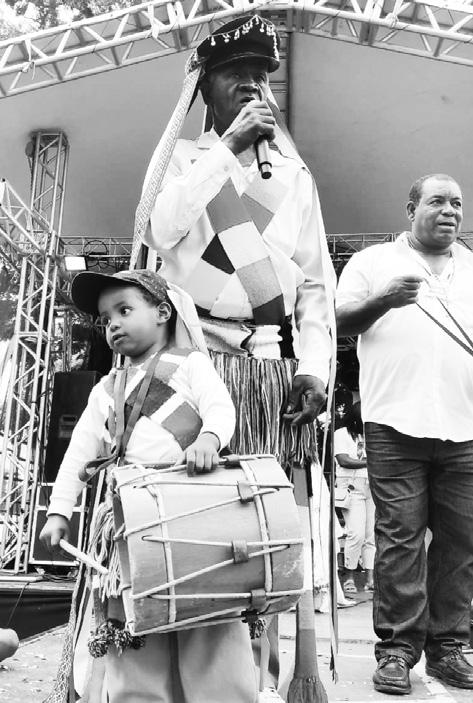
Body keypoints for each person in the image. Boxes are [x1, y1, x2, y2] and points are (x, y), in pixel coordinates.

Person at [134, 13, 336, 697]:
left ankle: (262, 682)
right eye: (236, 74)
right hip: (194, 366)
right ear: (205, 87)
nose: (252, 85)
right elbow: (159, 230)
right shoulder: (182, 163)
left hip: (269, 374)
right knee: (193, 533)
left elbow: (315, 286)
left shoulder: (295, 176)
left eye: (260, 75)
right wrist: (226, 149)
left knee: (262, 536)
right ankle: (179, 683)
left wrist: (312, 368)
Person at [41, 268, 258, 703]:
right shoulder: (106, 389)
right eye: (106, 319)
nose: (113, 324)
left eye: (124, 310)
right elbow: (80, 455)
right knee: (133, 621)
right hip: (131, 520)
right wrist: (59, 510)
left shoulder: (192, 364)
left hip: (194, 513)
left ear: (162, 312)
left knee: (208, 618)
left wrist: (209, 439)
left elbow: (221, 409)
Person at [336, 173, 473, 694]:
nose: (449, 211)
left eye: (457, 203)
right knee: (399, 540)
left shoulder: (472, 268)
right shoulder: (373, 263)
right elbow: (337, 321)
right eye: (437, 201)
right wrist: (384, 300)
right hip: (394, 423)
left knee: (461, 543)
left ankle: (449, 648)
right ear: (410, 209)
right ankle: (396, 651)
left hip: (466, 425)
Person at [334, 401, 375, 594]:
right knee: (356, 533)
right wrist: (370, 462)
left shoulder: (372, 434)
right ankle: (349, 576)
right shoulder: (341, 434)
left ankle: (370, 578)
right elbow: (343, 460)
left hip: (371, 486)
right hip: (352, 487)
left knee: (370, 535)